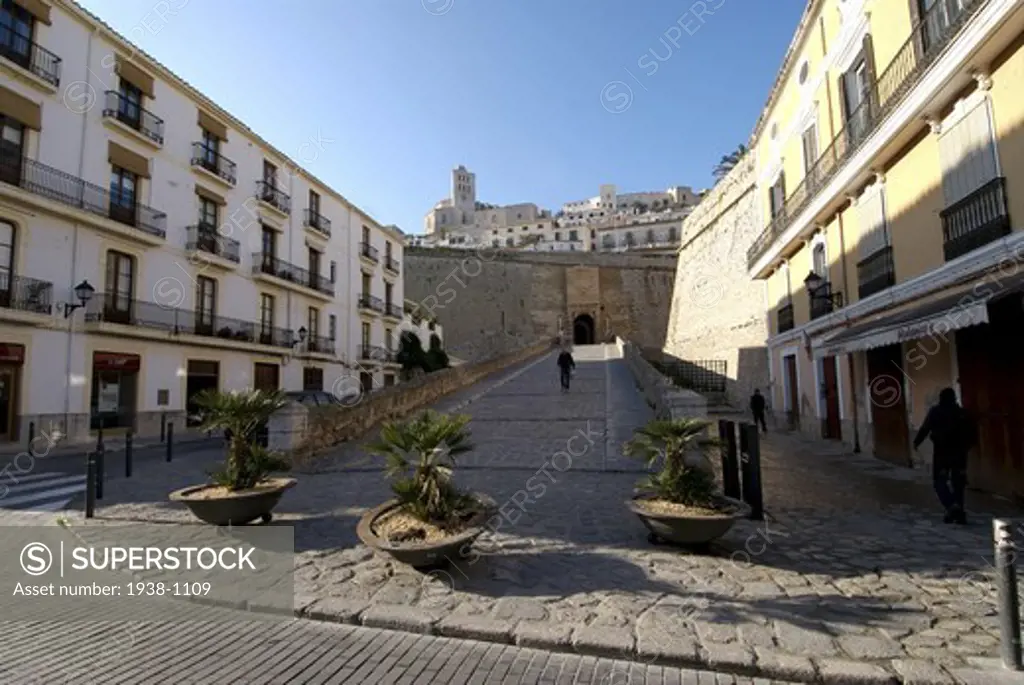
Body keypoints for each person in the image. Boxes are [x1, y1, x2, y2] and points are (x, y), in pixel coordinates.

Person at [913, 387, 977, 524]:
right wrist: (966, 447)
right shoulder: (962, 413)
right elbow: (972, 433)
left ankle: (951, 506)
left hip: (942, 454)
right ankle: (958, 510)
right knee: (958, 483)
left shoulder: (936, 412)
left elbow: (925, 428)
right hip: (959, 454)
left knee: (939, 482)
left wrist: (916, 442)